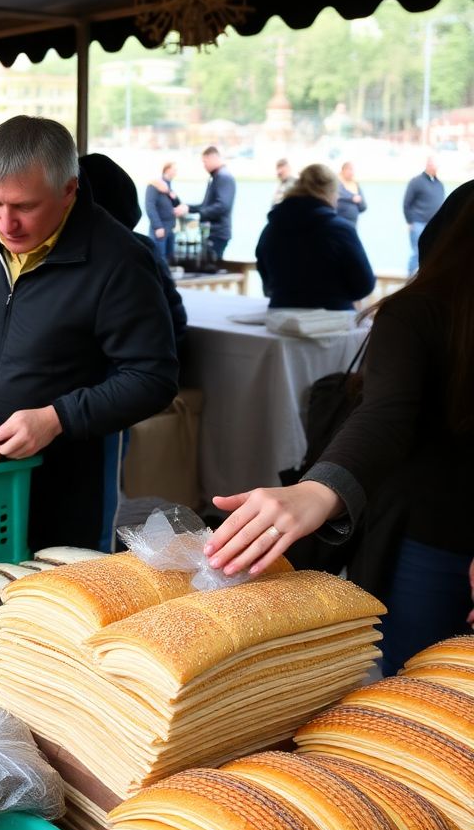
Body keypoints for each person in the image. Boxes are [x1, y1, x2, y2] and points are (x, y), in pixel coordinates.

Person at [203, 180, 474, 676]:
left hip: (428, 527)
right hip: (434, 528)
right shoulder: (418, 315)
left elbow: (385, 413)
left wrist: (318, 488)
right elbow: (386, 416)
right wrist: (322, 489)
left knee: (415, 684)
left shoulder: (414, 310)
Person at [0, 116, 178, 551]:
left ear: (69, 189)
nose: (5, 223)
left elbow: (154, 379)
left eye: (25, 207)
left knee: (64, 592)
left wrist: (56, 418)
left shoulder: (119, 260)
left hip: (73, 474)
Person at [80, 152, 187, 549]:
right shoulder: (137, 245)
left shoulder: (126, 251)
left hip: (111, 387)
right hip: (106, 389)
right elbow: (177, 319)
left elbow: (169, 326)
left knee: (106, 489)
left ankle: (102, 556)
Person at [256, 163, 375, 310]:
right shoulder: (340, 230)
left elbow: (265, 275)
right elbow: (364, 284)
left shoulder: (271, 227)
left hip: (281, 315)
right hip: (332, 317)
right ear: (330, 192)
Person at [190, 146, 235, 262]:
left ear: (214, 158)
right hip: (211, 231)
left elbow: (223, 206)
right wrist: (188, 208)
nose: (204, 165)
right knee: (206, 266)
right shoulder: (215, 177)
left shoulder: (223, 177)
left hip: (218, 232)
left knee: (210, 266)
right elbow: (206, 205)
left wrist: (200, 215)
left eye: (205, 161)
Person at [403, 156, 445, 274]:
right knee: (417, 252)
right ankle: (410, 282)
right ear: (428, 165)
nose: (435, 167)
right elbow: (406, 204)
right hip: (418, 223)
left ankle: (425, 279)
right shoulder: (416, 182)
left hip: (434, 225)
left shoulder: (439, 184)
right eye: (433, 165)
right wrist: (410, 221)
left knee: (433, 253)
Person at [144, 162, 186, 262]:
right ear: (167, 170)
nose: (176, 172)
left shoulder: (168, 186)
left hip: (170, 227)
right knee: (159, 258)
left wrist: (168, 192)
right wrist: (158, 226)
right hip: (160, 228)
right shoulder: (154, 184)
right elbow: (150, 206)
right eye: (174, 170)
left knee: (169, 258)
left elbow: (176, 203)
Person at [335, 161, 366, 226]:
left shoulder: (355, 184)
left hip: (352, 223)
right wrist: (352, 198)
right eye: (349, 169)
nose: (351, 173)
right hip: (339, 220)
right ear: (343, 170)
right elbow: (339, 194)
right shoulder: (336, 182)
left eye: (352, 170)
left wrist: (358, 201)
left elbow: (363, 206)